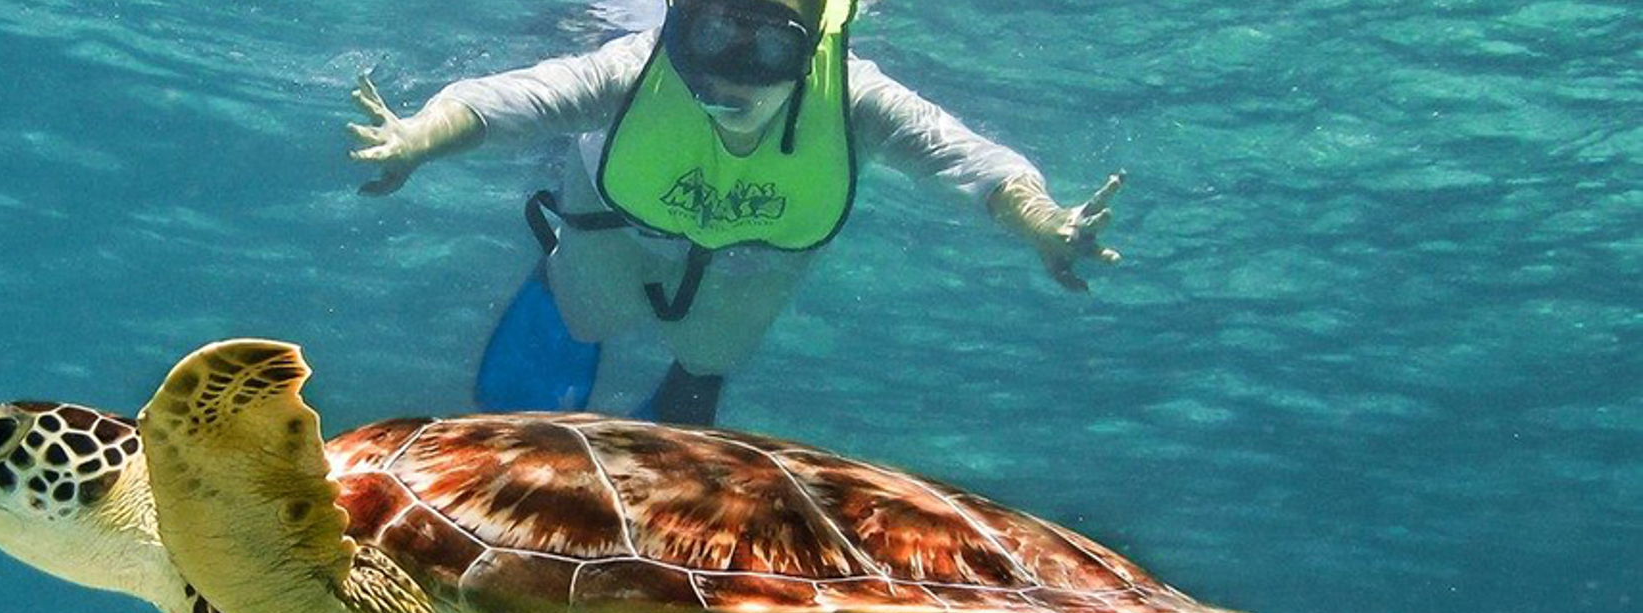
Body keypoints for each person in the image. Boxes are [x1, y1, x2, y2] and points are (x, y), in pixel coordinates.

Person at [346, 0, 1124, 425]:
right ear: (680, 21)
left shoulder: (855, 95)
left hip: (760, 250)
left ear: (816, 38)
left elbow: (972, 162)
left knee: (712, 348)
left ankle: (691, 384)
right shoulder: (632, 65)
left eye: (769, 48)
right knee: (591, 310)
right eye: (712, 32)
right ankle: (560, 294)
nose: (731, 73)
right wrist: (418, 137)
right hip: (616, 217)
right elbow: (503, 101)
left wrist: (1043, 222)